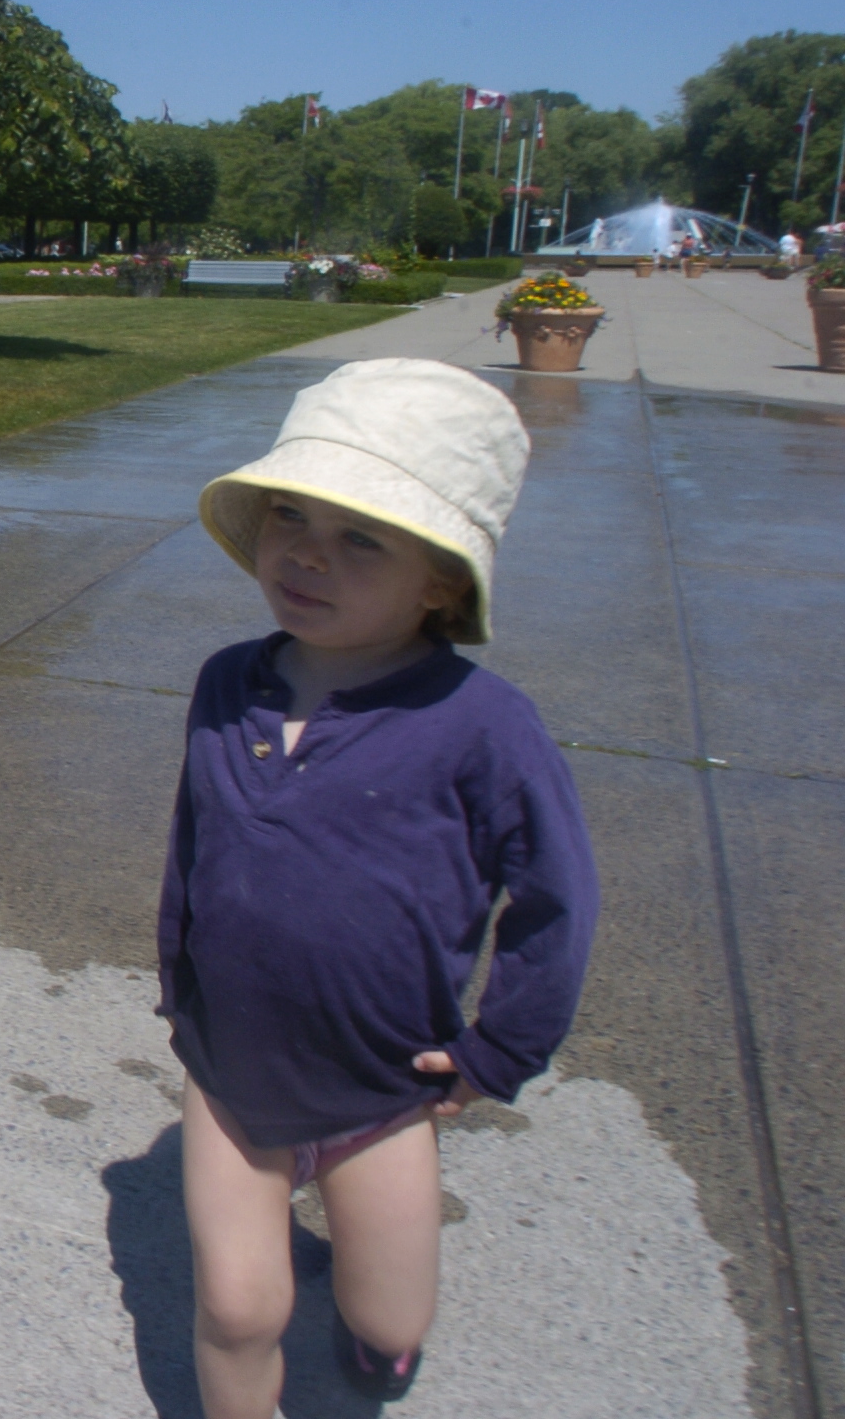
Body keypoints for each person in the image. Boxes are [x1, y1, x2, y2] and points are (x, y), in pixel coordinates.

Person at [158, 358, 598, 1417]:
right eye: (290, 516)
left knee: (389, 1319)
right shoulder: (228, 683)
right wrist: (179, 985)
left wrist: (501, 1048)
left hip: (383, 1087)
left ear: (439, 581)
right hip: (231, 1072)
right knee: (239, 1309)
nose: (307, 554)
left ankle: (377, 1337)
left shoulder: (483, 727)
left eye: (361, 537)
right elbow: (194, 848)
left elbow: (556, 897)